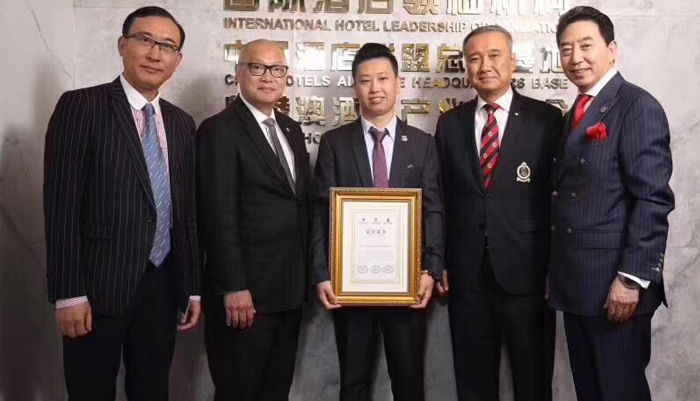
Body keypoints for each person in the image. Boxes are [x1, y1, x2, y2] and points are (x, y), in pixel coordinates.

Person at [43, 6, 200, 400]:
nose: (155, 53)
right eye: (145, 40)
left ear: (177, 60)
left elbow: (186, 213)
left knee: (152, 390)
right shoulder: (82, 106)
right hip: (97, 288)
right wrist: (69, 293)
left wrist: (191, 288)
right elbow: (60, 207)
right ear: (122, 45)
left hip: (162, 286)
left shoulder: (182, 123)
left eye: (167, 46)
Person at [548, 6, 674, 401]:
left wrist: (631, 279)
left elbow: (652, 199)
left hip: (615, 289)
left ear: (612, 49)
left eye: (586, 46)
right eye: (566, 49)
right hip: (577, 285)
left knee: (620, 392)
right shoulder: (575, 111)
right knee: (591, 392)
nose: (576, 58)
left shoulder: (637, 106)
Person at [434, 26, 561, 401]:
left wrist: (555, 268)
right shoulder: (450, 123)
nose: (484, 65)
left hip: (529, 273)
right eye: (474, 58)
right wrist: (440, 262)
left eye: (494, 55)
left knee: (533, 380)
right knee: (473, 383)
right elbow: (442, 198)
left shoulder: (546, 119)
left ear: (513, 61)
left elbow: (557, 199)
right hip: (467, 275)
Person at [311, 43, 443, 401]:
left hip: (408, 284)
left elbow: (433, 210)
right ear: (355, 87)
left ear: (399, 84)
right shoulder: (335, 143)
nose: (375, 88)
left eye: (383, 79)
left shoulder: (422, 144)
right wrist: (322, 273)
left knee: (409, 380)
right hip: (350, 287)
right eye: (365, 80)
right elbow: (321, 210)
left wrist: (431, 270)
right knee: (353, 381)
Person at [196, 39, 310, 401]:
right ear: (238, 74)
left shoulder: (291, 130)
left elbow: (298, 206)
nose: (268, 77)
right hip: (245, 296)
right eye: (257, 67)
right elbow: (217, 213)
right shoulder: (219, 129)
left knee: (276, 391)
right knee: (238, 391)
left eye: (277, 69)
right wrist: (234, 286)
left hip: (288, 292)